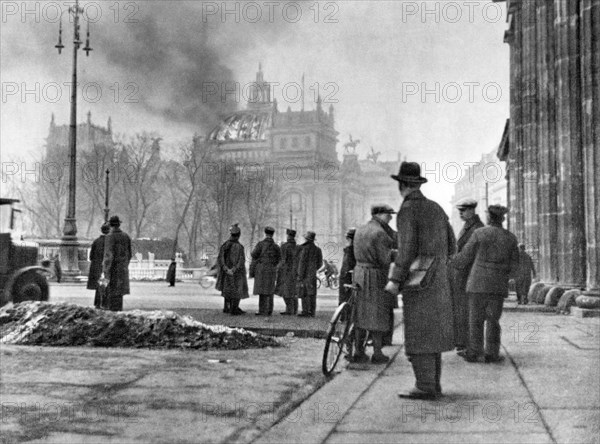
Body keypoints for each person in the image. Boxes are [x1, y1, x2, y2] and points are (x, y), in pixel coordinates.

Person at [385, 162, 456, 400]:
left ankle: (424, 386)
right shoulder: (436, 208)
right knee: (433, 332)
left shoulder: (407, 210)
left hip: (418, 281)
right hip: (440, 278)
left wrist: (395, 279)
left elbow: (406, 250)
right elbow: (452, 244)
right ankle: (433, 384)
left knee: (417, 331)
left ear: (402, 185)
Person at [454, 205, 520, 364]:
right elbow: (515, 265)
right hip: (497, 285)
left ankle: (474, 352)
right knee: (493, 320)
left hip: (477, 283)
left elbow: (464, 257)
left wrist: (452, 262)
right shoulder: (511, 238)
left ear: (489, 218)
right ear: (502, 219)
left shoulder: (479, 233)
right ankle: (492, 353)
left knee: (474, 319)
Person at [352, 205, 397, 364]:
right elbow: (384, 259)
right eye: (388, 214)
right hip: (374, 275)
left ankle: (358, 351)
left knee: (359, 314)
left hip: (359, 273)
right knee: (377, 313)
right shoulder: (380, 233)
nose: (391, 218)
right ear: (379, 215)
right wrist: (399, 255)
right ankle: (377, 353)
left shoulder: (361, 229)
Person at [449, 198, 484, 353]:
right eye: (459, 211)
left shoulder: (477, 228)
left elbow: (468, 254)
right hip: (463, 274)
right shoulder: (469, 226)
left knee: (468, 310)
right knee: (462, 309)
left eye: (463, 211)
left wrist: (451, 260)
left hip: (469, 274)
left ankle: (467, 344)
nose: (460, 214)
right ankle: (462, 342)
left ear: (471, 211)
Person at [215, 224, 249, 316]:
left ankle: (227, 307)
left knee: (227, 289)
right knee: (237, 290)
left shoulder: (225, 245)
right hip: (236, 273)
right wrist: (234, 269)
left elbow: (220, 259)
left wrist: (226, 269)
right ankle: (234, 308)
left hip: (227, 272)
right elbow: (241, 261)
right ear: (238, 235)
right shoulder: (240, 247)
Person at [101, 215, 132, 312]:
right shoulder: (126, 236)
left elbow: (108, 256)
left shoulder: (110, 237)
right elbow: (129, 254)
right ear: (119, 224)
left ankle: (112, 313)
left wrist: (105, 271)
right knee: (119, 294)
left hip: (112, 270)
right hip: (122, 269)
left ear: (110, 225)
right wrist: (124, 265)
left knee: (109, 291)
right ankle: (119, 311)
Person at [251, 226, 281, 316]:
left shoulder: (260, 244)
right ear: (272, 234)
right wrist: (274, 265)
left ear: (265, 233)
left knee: (262, 290)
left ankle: (262, 310)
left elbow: (253, 254)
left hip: (261, 270)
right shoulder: (276, 246)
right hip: (271, 270)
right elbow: (280, 259)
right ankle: (269, 310)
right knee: (270, 290)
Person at [297, 231, 323, 317]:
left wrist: (300, 275)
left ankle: (305, 311)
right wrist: (314, 269)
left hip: (305, 274)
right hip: (312, 275)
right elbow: (320, 263)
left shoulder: (305, 249)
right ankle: (312, 312)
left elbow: (302, 263)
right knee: (312, 293)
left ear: (307, 239)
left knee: (304, 292)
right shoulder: (318, 250)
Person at [275, 229, 300, 315]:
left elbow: (283, 260)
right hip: (296, 271)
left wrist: (277, 268)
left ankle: (289, 310)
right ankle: (294, 310)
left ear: (288, 236)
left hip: (286, 271)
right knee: (293, 291)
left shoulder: (284, 246)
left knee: (285, 291)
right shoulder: (298, 247)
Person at [87, 223, 110, 308]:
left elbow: (91, 256)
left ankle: (97, 303)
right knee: (106, 286)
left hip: (97, 267)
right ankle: (105, 303)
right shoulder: (110, 242)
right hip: (106, 267)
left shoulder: (96, 241)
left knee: (99, 286)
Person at [338, 228, 356, 307]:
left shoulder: (350, 250)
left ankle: (345, 317)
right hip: (346, 277)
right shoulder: (350, 249)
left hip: (346, 278)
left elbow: (348, 264)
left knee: (346, 298)